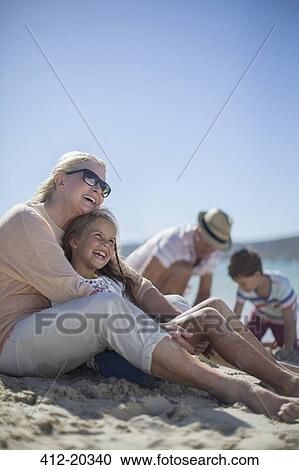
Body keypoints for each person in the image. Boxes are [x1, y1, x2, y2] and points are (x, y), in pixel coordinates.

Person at [1, 151, 299, 422]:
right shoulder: (29, 220)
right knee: (108, 306)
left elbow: (137, 283)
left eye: (104, 188)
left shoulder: (79, 232)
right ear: (60, 180)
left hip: (59, 331)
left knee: (182, 306)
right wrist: (155, 326)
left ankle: (281, 375)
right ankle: (238, 390)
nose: (97, 189)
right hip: (15, 339)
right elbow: (74, 290)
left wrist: (173, 321)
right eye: (89, 178)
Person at [126, 208, 232, 304]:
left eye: (214, 246)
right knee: (183, 270)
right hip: (128, 288)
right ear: (198, 231)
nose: (209, 250)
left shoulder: (214, 251)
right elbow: (143, 281)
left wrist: (194, 321)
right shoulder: (175, 241)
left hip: (153, 293)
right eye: (207, 243)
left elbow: (204, 293)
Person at [228, 248, 299, 360]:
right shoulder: (244, 289)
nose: (240, 287)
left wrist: (288, 350)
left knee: (290, 348)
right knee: (247, 342)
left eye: (242, 283)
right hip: (261, 315)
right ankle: (267, 345)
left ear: (256, 275)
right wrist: (228, 337)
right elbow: (235, 315)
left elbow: (289, 321)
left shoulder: (280, 284)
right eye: (238, 283)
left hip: (282, 320)